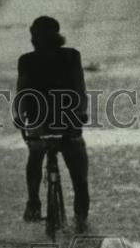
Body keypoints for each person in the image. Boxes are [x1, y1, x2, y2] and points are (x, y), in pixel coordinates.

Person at [14, 15, 90, 232]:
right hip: (56, 120)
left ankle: (38, 202)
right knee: (77, 175)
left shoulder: (66, 57)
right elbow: (21, 93)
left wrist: (80, 112)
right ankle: (76, 219)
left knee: (41, 156)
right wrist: (19, 116)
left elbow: (78, 87)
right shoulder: (32, 60)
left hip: (58, 119)